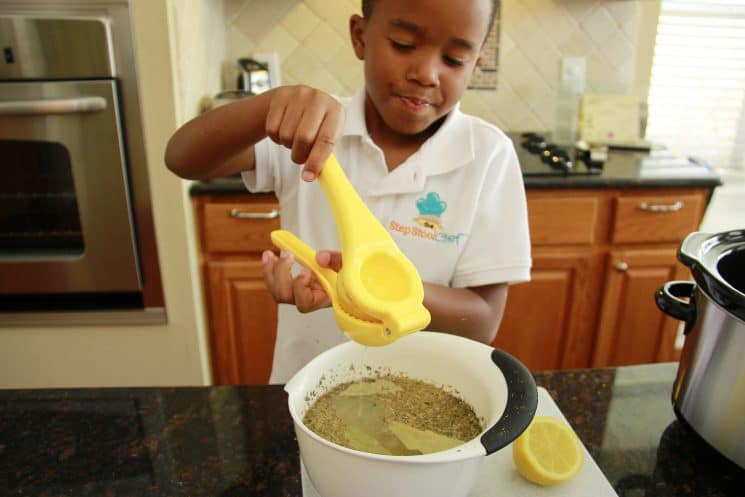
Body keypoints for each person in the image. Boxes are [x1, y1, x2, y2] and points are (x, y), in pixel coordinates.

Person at [165, 0, 531, 383]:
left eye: (454, 59)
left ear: (475, 63)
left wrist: (371, 290)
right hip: (306, 387)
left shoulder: (488, 155)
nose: (426, 73)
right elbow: (183, 158)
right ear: (360, 37)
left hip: (427, 395)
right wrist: (267, 108)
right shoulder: (309, 129)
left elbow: (482, 322)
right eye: (404, 44)